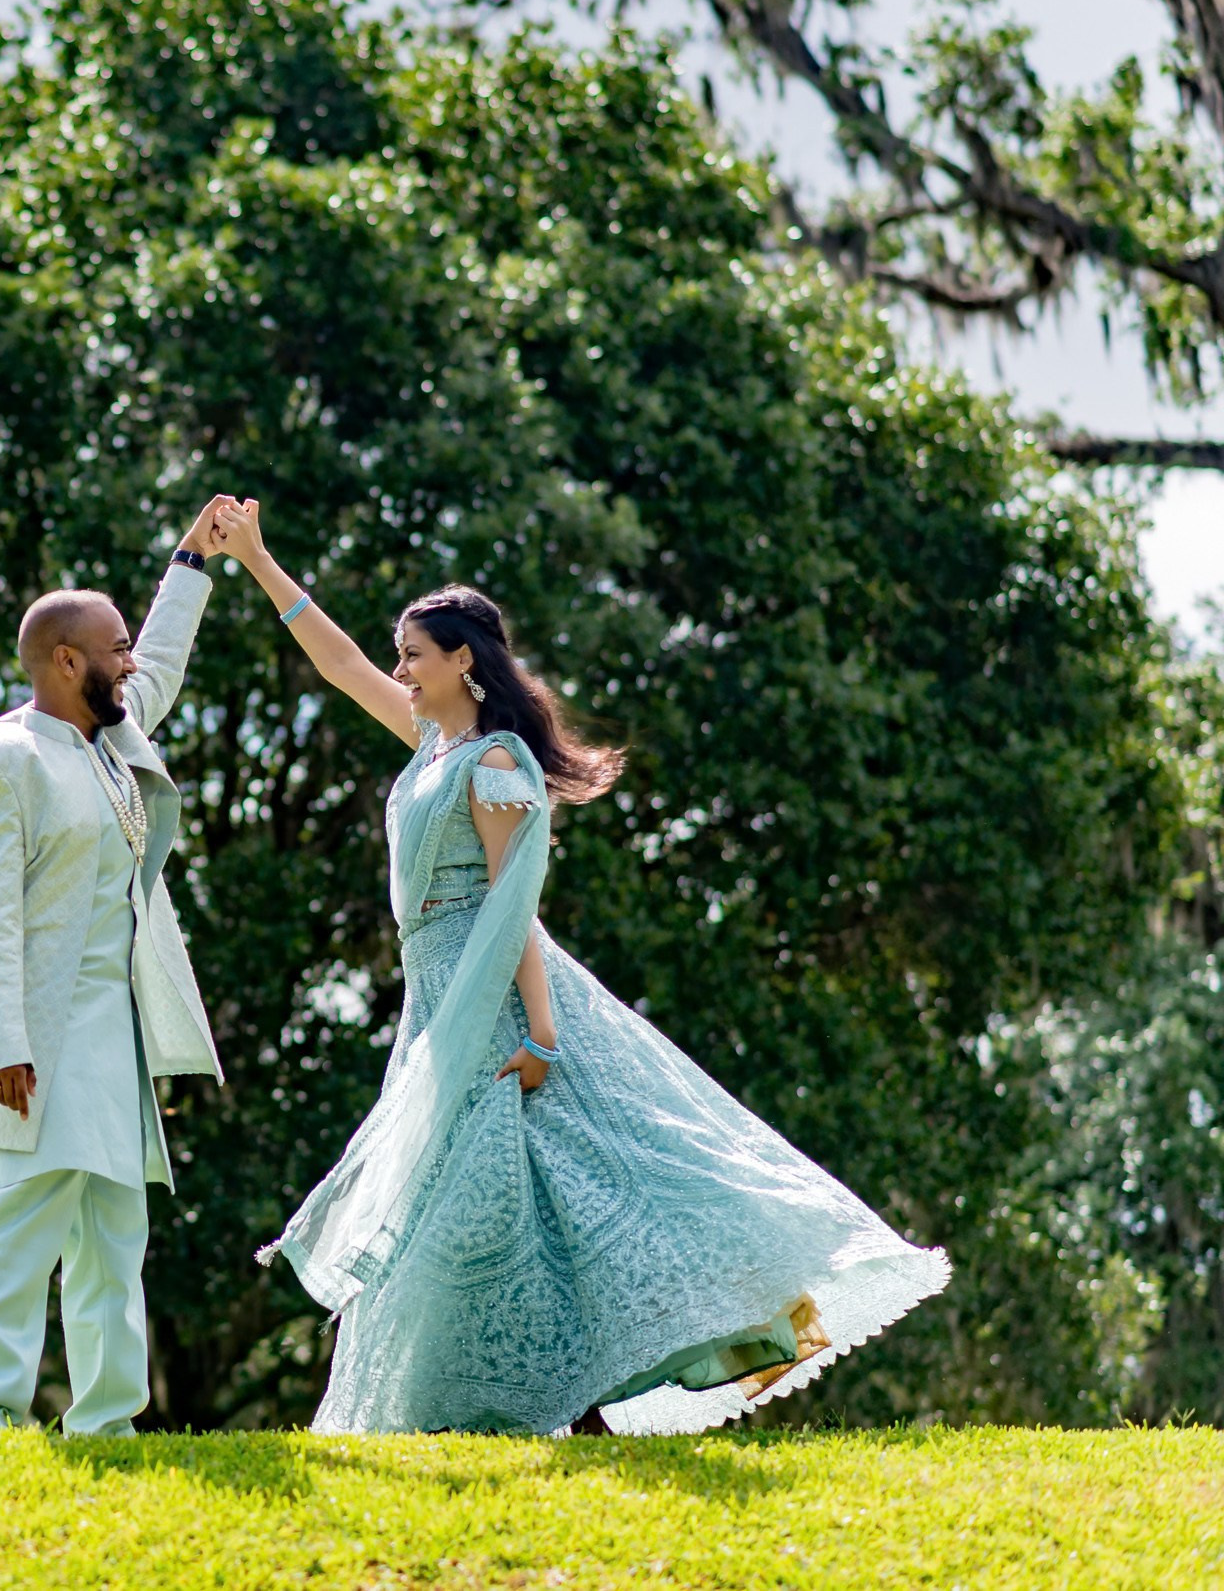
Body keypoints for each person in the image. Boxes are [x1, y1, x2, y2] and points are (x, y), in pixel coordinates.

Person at [217, 498, 950, 1436]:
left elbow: (512, 907)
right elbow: (340, 665)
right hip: (436, 995)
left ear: (462, 661)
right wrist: (258, 560)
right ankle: (545, 1401)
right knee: (504, 1192)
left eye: (414, 654)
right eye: (400, 654)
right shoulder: (437, 747)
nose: (398, 669)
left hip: (493, 992)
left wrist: (542, 1036)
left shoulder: (494, 764)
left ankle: (579, 1397)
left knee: (545, 1185)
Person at [0, 496, 237, 1436]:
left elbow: (165, 661)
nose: (130, 661)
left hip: (118, 1032)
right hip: (38, 1037)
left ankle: (106, 1420)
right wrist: (1, 1044)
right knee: (21, 1221)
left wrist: (192, 560)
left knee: (115, 1230)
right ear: (67, 662)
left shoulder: (115, 739)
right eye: (115, 649)